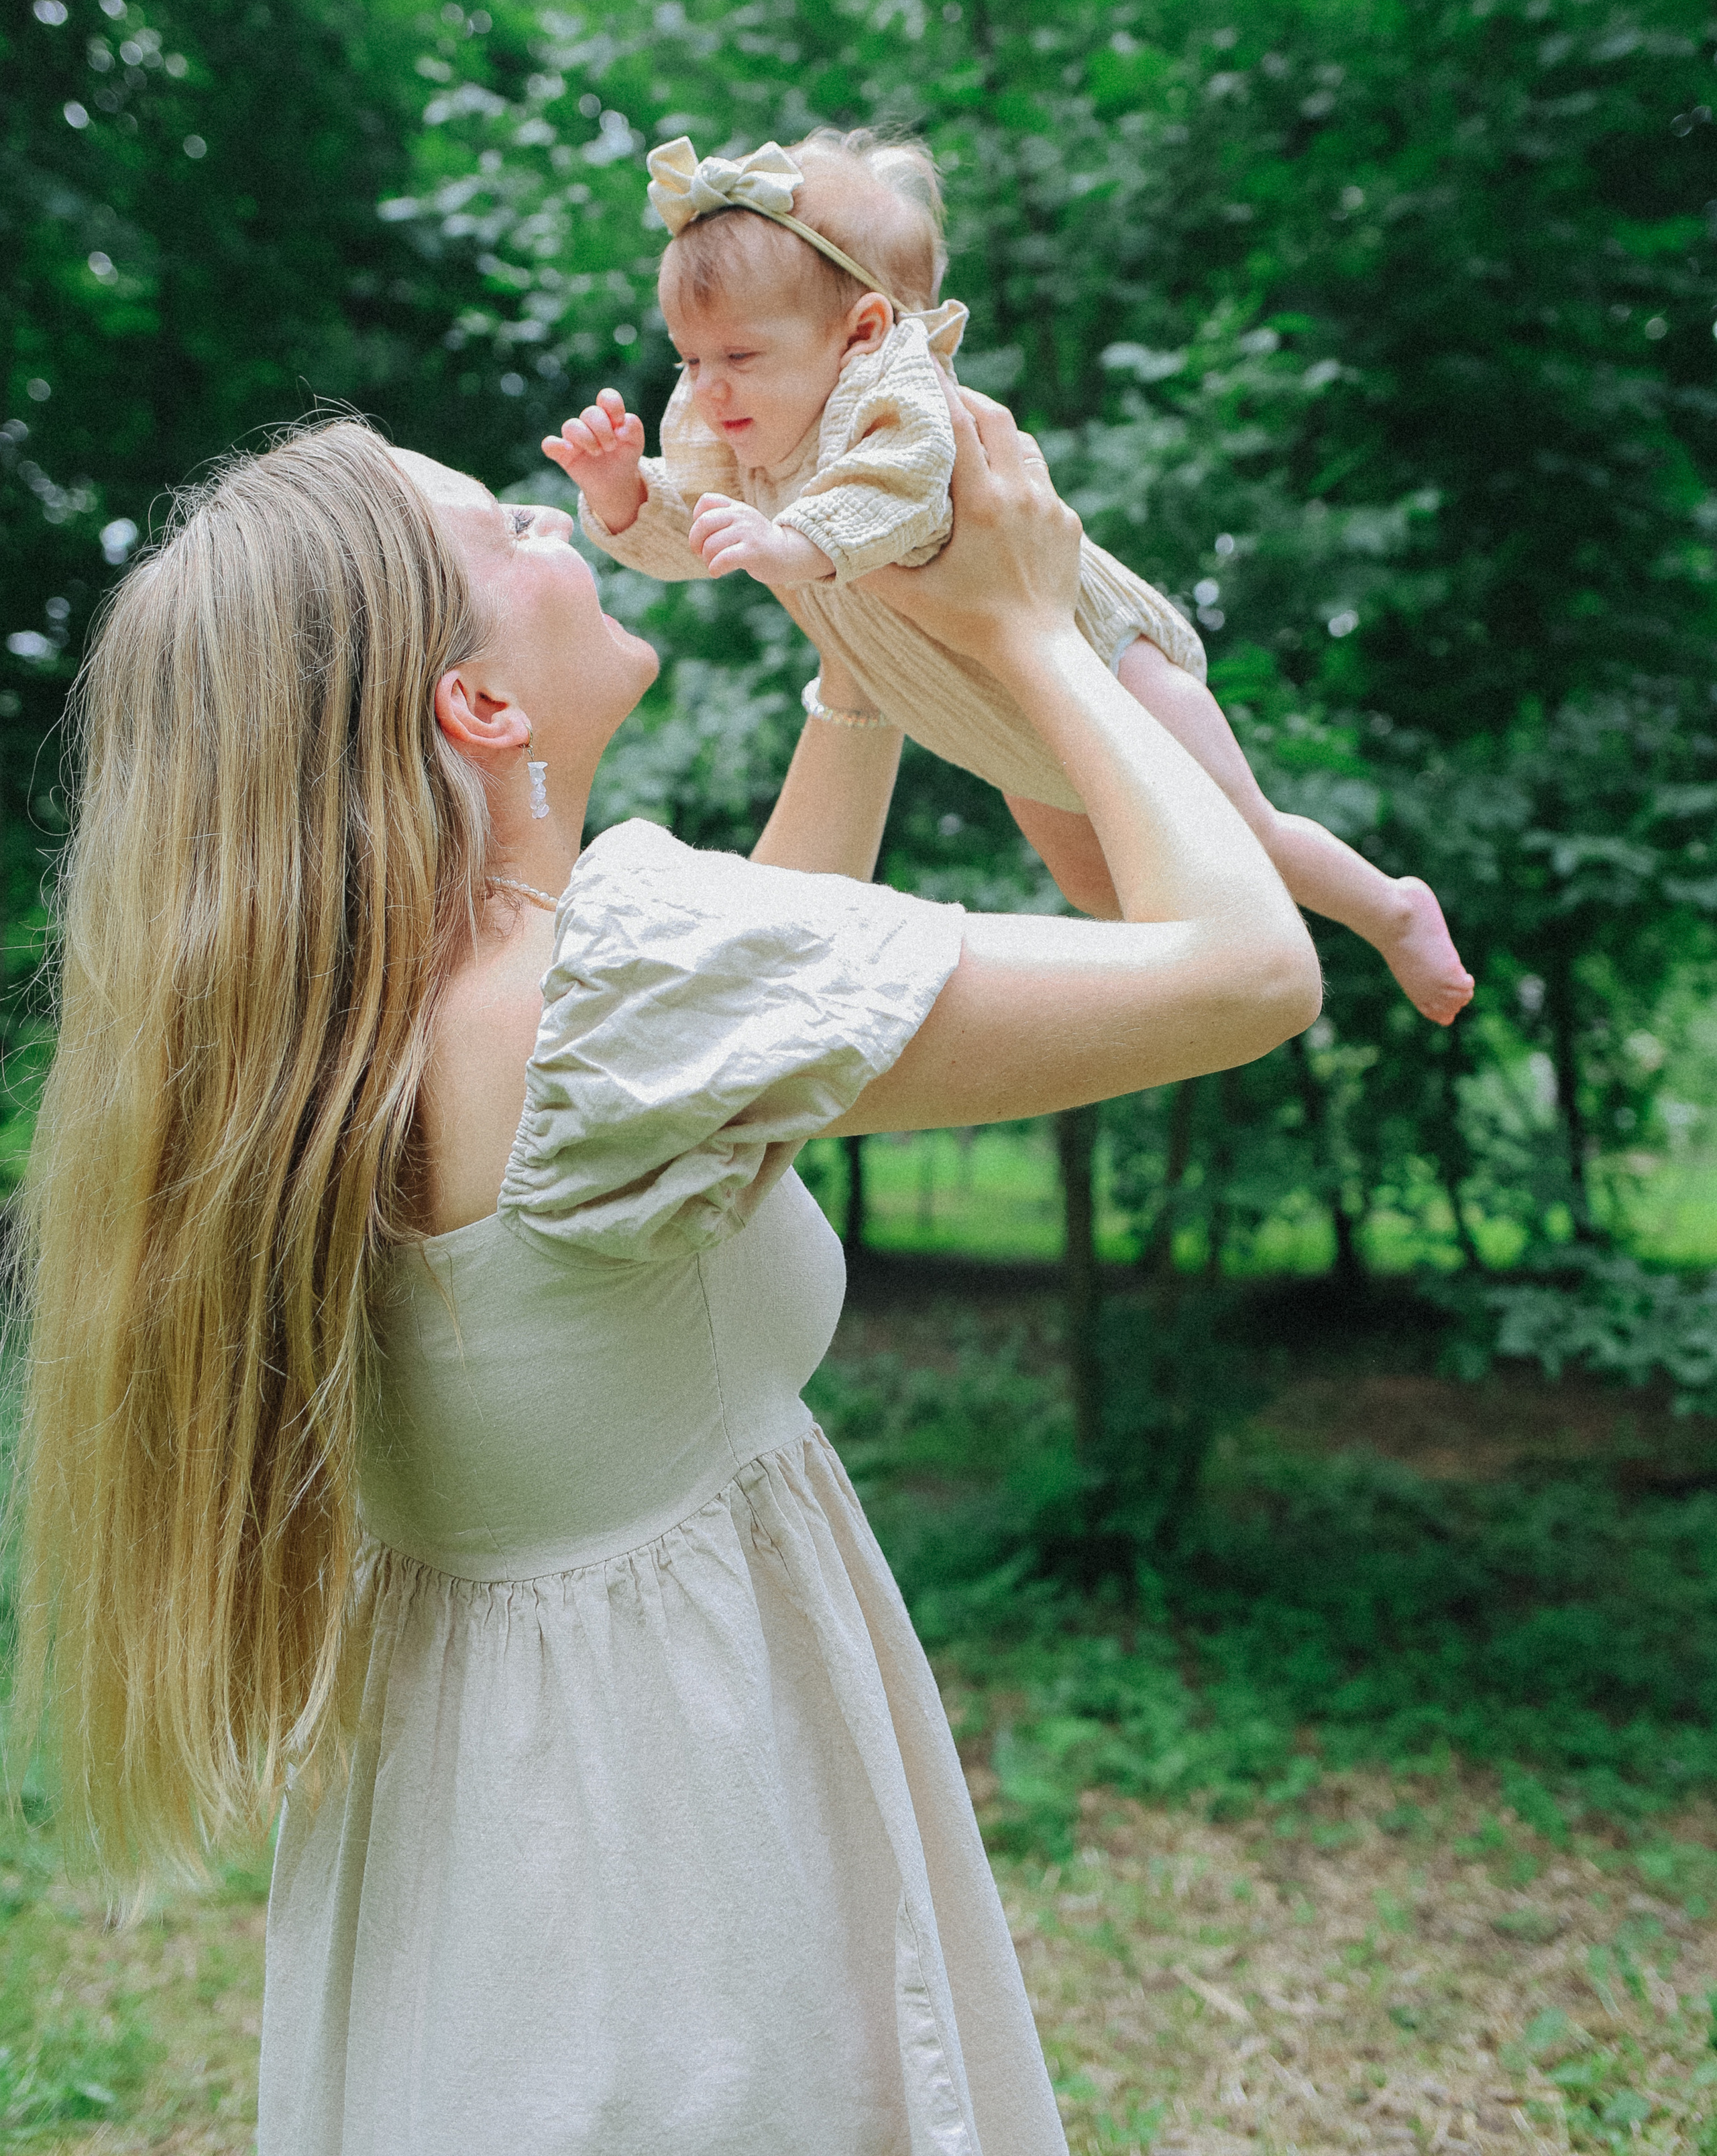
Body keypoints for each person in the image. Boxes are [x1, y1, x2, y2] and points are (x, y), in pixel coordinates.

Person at [14, 398, 1319, 2156]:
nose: (558, 524)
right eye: (500, 525)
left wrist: (854, 678)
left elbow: (729, 1076)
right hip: (693, 1859)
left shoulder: (347, 1033)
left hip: (480, 1853)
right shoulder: (604, 987)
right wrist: (1026, 623)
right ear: (474, 708)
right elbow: (1246, 973)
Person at [549, 127, 1474, 1027]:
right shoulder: (741, 424)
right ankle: (1190, 983)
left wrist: (791, 545)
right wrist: (627, 495)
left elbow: (898, 492)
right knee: (1094, 882)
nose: (709, 386)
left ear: (863, 330)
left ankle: (1390, 909)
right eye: (693, 358)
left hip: (1094, 660)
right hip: (980, 702)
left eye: (739, 356)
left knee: (1234, 830)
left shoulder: (899, 394)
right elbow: (702, 530)